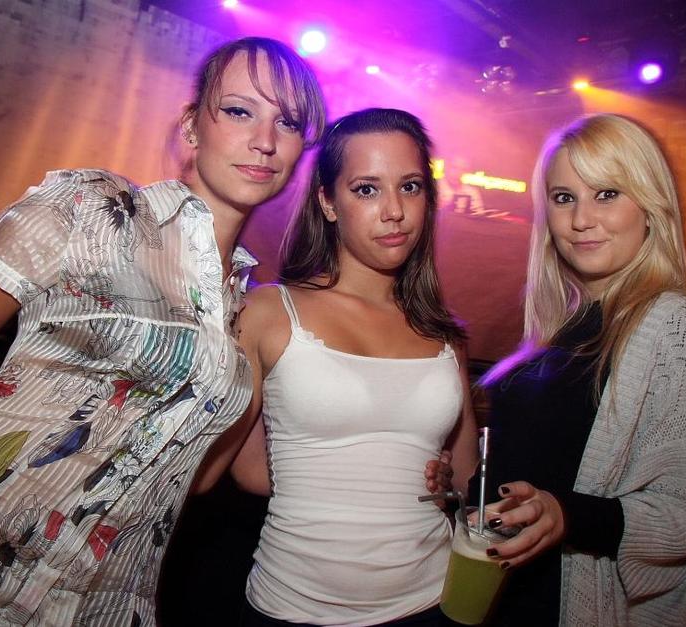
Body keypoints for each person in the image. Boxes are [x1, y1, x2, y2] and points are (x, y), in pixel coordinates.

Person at [0, 37, 326, 627]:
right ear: (192, 126)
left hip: (86, 609)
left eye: (288, 122)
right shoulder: (93, 210)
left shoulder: (249, 308)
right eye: (239, 111)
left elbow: (201, 474)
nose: (265, 140)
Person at [196, 107, 478, 626]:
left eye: (410, 187)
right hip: (293, 606)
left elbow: (462, 476)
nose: (394, 210)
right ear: (327, 201)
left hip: (431, 602)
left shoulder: (443, 335)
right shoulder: (267, 312)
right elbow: (244, 472)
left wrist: (443, 482)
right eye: (366, 189)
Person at [469, 113, 686, 626]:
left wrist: (564, 514)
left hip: (569, 605)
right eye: (564, 198)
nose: (581, 219)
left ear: (650, 206)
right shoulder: (565, 326)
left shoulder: (675, 324)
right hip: (501, 593)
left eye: (606, 194)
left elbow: (683, 515)